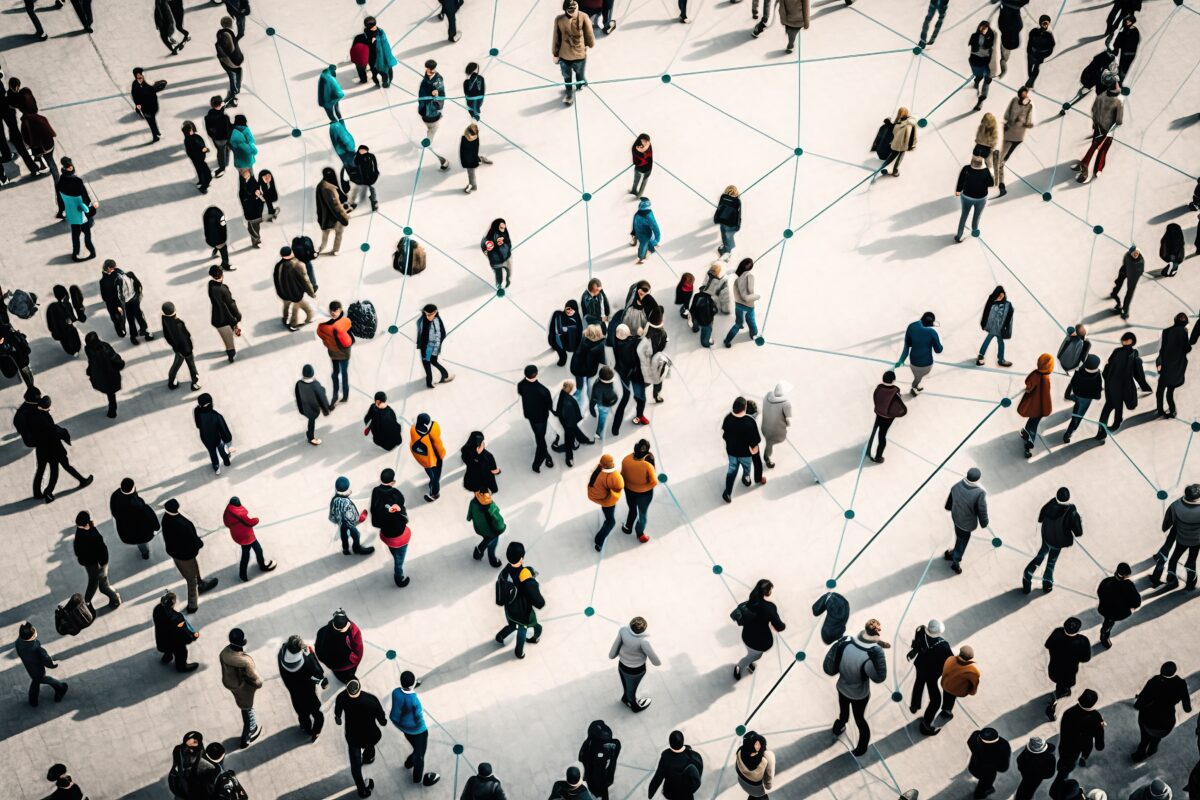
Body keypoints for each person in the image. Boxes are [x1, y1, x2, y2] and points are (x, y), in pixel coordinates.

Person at [825, 621, 887, 755]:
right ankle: (862, 747)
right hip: (859, 694)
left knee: (843, 710)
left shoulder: (847, 642)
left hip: (842, 687)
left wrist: (879, 643)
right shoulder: (868, 658)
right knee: (860, 719)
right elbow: (878, 677)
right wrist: (879, 655)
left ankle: (840, 725)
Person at [30, 397, 93, 504]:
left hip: (41, 449)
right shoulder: (45, 417)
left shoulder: (34, 415)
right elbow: (51, 434)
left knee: (40, 470)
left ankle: (37, 493)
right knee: (57, 471)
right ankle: (48, 492)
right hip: (53, 449)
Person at [1023, 488, 1083, 594]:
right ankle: (1047, 584)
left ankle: (1027, 575)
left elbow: (1041, 517)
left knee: (1041, 555)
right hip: (1058, 541)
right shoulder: (1071, 510)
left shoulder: (1051, 503)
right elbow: (1078, 532)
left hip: (1046, 536)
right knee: (1051, 562)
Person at [162, 498, 217, 613]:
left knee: (194, 568)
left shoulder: (165, 519)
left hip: (175, 553)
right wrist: (199, 543)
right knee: (191, 580)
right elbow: (193, 540)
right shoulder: (183, 524)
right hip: (185, 555)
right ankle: (192, 605)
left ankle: (201, 584)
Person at [389, 670, 442, 787]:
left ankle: (408, 763)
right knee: (420, 755)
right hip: (419, 731)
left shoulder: (395, 692)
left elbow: (396, 712)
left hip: (405, 729)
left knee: (416, 749)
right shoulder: (414, 700)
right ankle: (417, 778)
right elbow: (418, 717)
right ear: (413, 683)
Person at [334, 679, 386, 798]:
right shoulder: (371, 700)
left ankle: (362, 790)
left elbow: (337, 714)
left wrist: (338, 719)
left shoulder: (341, 697)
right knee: (369, 746)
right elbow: (382, 720)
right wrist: (383, 721)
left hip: (353, 736)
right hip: (370, 734)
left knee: (355, 766)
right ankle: (368, 757)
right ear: (359, 687)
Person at [1095, 332, 1152, 441]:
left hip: (1114, 383)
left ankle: (1103, 430)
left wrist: (1107, 378)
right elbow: (1137, 372)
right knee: (1116, 405)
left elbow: (1108, 366)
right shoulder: (1130, 353)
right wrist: (1144, 385)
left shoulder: (1121, 352)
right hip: (1120, 384)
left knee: (1110, 406)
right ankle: (1115, 424)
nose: (1124, 341)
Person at [495, 541, 545, 659]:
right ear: (522, 558)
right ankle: (520, 651)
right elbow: (537, 600)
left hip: (509, 609)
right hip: (523, 612)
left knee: (512, 625)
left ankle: (500, 637)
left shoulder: (504, 572)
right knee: (532, 628)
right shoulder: (524, 573)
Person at [1133, 662, 1192, 761]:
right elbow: (1187, 709)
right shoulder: (1181, 684)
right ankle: (1153, 748)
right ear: (1174, 672)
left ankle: (1140, 754)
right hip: (1166, 724)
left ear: (1161, 670)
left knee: (1145, 738)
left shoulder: (1154, 681)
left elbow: (1138, 705)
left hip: (1148, 721)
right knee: (1156, 737)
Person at [735, 578, 786, 680]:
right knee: (755, 656)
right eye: (770, 589)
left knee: (752, 654)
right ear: (767, 592)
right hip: (759, 641)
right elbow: (780, 626)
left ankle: (748, 663)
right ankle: (739, 666)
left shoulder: (749, 603)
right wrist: (782, 625)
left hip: (747, 635)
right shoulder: (769, 607)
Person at [219, 628, 263, 747]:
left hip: (229, 683)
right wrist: (259, 683)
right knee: (246, 707)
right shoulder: (245, 661)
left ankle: (250, 722)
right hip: (243, 687)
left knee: (244, 704)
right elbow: (255, 678)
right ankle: (247, 735)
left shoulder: (223, 653)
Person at [1054, 690, 1105, 788]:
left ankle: (1062, 766)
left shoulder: (1068, 712)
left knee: (1065, 760)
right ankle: (1083, 758)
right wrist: (1100, 745)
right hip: (1085, 744)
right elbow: (1099, 736)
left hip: (1067, 745)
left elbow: (1063, 730)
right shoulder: (1096, 717)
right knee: (1080, 756)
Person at [1044, 617, 1091, 720]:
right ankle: (1053, 705)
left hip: (1054, 668)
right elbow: (1086, 658)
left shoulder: (1057, 632)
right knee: (1063, 690)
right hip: (1068, 673)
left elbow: (1047, 645)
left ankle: (1058, 695)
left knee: (1060, 684)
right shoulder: (1082, 641)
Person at [1154, 483, 1200, 589]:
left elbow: (1165, 526)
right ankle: (1190, 584)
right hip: (1197, 540)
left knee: (1174, 559)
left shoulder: (1175, 505)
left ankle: (1172, 580)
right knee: (1191, 560)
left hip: (1181, 538)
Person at [609, 616, 660, 712]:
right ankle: (634, 706)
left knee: (626, 685)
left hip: (622, 665)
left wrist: (613, 655)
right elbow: (656, 662)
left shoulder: (623, 631)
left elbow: (612, 653)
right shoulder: (644, 641)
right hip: (636, 670)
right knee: (632, 689)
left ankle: (625, 699)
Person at [1075, 83, 1123, 184]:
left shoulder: (1101, 96)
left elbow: (1093, 110)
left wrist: (1095, 122)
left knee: (1094, 146)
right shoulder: (1118, 103)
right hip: (1108, 131)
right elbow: (1119, 121)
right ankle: (1096, 169)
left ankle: (1084, 163)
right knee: (1103, 150)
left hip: (1098, 127)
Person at [370, 468, 411, 586]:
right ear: (392, 482)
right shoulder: (396, 495)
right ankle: (399, 577)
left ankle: (394, 554)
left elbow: (374, 509)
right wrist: (399, 509)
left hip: (385, 532)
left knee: (393, 549)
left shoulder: (375, 491)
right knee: (400, 558)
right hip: (398, 533)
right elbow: (402, 514)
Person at [944, 467, 988, 574]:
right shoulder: (979, 493)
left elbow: (949, 503)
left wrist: (949, 507)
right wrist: (984, 522)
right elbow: (981, 510)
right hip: (966, 525)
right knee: (962, 543)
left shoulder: (956, 486)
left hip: (956, 518)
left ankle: (953, 553)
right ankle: (956, 562)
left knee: (959, 538)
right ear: (978, 479)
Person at [74, 511, 120, 611]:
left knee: (98, 584)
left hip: (95, 564)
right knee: (101, 584)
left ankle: (88, 603)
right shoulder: (89, 533)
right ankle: (114, 598)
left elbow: (79, 552)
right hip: (97, 563)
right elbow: (100, 548)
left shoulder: (83, 532)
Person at [927, 645, 980, 732]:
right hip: (956, 691)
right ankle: (936, 723)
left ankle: (944, 709)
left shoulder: (950, 659)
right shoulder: (973, 670)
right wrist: (969, 692)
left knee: (946, 699)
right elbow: (973, 688)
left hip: (945, 685)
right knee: (948, 705)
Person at [907, 619, 952, 722]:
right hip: (933, 672)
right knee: (934, 693)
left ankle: (914, 706)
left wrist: (914, 652)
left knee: (919, 683)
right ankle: (933, 710)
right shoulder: (944, 645)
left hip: (921, 665)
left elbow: (916, 645)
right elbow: (950, 661)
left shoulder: (921, 632)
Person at [223, 496, 276, 581]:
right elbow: (250, 522)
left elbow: (227, 523)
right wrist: (256, 519)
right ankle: (261, 566)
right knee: (256, 550)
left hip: (238, 535)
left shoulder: (228, 511)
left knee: (248, 552)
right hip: (247, 536)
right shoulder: (239, 514)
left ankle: (243, 575)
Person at [99, 259, 150, 345]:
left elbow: (110, 296)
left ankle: (133, 335)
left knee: (131, 318)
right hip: (130, 299)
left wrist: (120, 305)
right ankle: (142, 332)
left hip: (126, 301)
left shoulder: (109, 280)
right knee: (137, 316)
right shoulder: (121, 275)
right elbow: (136, 285)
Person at [553, 1, 595, 105]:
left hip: (565, 55)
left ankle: (569, 93)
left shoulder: (559, 19)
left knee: (567, 77)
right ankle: (579, 84)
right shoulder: (584, 16)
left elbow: (556, 38)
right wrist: (589, 44)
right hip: (578, 54)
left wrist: (555, 53)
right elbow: (589, 35)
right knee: (579, 73)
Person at [16, 622, 67, 706]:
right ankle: (61, 687)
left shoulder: (18, 642)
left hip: (29, 667)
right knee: (41, 680)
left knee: (36, 682)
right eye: (34, 632)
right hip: (38, 670)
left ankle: (33, 700)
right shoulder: (36, 648)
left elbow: (19, 653)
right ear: (32, 637)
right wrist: (52, 665)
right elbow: (46, 659)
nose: (36, 632)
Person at [722, 396, 760, 503]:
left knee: (731, 472)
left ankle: (728, 493)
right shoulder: (750, 422)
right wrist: (754, 450)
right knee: (747, 467)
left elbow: (724, 435)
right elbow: (754, 442)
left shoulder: (728, 418)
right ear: (745, 408)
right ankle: (746, 478)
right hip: (745, 454)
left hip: (732, 452)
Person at [109, 477, 159, 559]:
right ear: (132, 488)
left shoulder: (115, 496)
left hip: (126, 532)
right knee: (141, 541)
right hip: (142, 532)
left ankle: (144, 552)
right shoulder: (139, 504)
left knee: (138, 541)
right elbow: (151, 517)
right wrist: (156, 528)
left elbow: (114, 512)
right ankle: (145, 553)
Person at [619, 440, 657, 543]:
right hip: (644, 494)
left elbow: (622, 475)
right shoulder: (649, 461)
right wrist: (643, 487)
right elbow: (653, 482)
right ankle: (640, 534)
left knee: (632, 509)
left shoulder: (626, 460)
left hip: (629, 490)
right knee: (642, 514)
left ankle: (628, 527)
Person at [519, 364, 555, 472]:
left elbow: (521, 392)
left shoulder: (521, 385)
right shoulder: (543, 390)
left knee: (539, 437)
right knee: (540, 439)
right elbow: (549, 405)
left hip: (531, 417)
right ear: (536, 374)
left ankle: (546, 455)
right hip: (541, 419)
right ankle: (538, 462)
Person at [1095, 562, 1140, 648]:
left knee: (1107, 621)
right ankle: (1104, 636)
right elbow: (1136, 602)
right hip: (1118, 613)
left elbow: (1099, 592)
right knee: (1108, 623)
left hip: (1104, 608)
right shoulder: (1129, 586)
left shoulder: (1107, 581)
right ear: (1126, 576)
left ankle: (1105, 633)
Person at [1017, 354, 1054, 458]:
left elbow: (1028, 382)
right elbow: (1045, 396)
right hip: (1039, 406)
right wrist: (1047, 409)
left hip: (1031, 404)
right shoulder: (1045, 379)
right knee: (1034, 423)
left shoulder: (1035, 373)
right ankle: (1029, 441)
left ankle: (1027, 433)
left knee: (1032, 420)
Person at [317, 300, 354, 403]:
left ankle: (343, 396)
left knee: (342, 374)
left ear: (340, 310)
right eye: (331, 311)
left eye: (335, 311)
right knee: (336, 374)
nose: (333, 313)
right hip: (335, 353)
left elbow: (351, 339)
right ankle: (336, 395)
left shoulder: (345, 322)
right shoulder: (330, 324)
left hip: (342, 353)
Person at [648, 731, 703, 799]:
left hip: (670, 794)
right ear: (683, 741)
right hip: (686, 796)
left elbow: (658, 778)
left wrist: (650, 793)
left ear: (670, 743)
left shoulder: (665, 758)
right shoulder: (695, 756)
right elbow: (697, 779)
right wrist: (689, 791)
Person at [153, 591, 198, 673]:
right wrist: (191, 637)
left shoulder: (157, 609)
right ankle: (181, 667)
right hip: (175, 642)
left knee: (168, 647)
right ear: (173, 602)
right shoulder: (177, 618)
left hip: (162, 640)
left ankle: (167, 657)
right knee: (182, 652)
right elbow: (183, 633)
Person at [417, 59, 450, 169]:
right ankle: (429, 141)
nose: (427, 70)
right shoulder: (426, 78)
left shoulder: (438, 80)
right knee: (431, 127)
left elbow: (441, 93)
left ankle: (428, 142)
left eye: (429, 68)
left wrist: (436, 95)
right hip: (425, 111)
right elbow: (421, 93)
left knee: (432, 128)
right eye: (426, 68)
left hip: (433, 111)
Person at [1155, 313, 1190, 417]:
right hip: (1178, 367)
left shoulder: (1166, 332)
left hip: (1167, 366)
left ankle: (1160, 410)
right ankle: (1172, 410)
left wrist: (1159, 363)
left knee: (1160, 391)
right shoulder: (1184, 332)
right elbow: (1187, 348)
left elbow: (1163, 349)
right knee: (1170, 391)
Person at [83, 331, 124, 419]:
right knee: (111, 392)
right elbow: (114, 356)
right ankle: (112, 411)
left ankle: (112, 410)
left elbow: (91, 361)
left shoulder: (89, 349)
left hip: (99, 374)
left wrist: (90, 370)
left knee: (109, 392)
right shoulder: (105, 347)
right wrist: (120, 363)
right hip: (110, 373)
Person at [274, 247, 316, 332]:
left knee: (286, 306)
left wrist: (280, 292)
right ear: (291, 253)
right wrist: (312, 293)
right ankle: (294, 324)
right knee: (307, 309)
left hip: (283, 293)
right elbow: (306, 281)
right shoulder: (298, 265)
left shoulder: (279, 265)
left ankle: (285, 319)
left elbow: (276, 279)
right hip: (295, 294)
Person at [588, 454, 625, 551]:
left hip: (600, 498)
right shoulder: (609, 475)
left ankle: (606, 522)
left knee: (609, 515)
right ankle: (599, 540)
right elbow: (618, 486)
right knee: (611, 522)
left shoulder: (598, 471)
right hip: (606, 501)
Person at [316, 609, 364, 684]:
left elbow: (319, 650)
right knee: (348, 676)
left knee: (341, 675)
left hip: (333, 665)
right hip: (348, 665)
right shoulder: (353, 632)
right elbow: (358, 651)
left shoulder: (323, 631)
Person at [330, 476, 374, 556]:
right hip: (348, 523)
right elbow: (352, 517)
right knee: (356, 534)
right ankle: (356, 548)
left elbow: (332, 514)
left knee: (344, 535)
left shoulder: (334, 499)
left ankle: (345, 549)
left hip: (341, 523)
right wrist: (359, 519)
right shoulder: (347, 503)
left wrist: (338, 520)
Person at [868, 371, 906, 463]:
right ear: (893, 380)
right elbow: (900, 407)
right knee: (882, 435)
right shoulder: (895, 391)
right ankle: (878, 456)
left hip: (878, 412)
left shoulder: (878, 388)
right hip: (887, 417)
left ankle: (869, 447)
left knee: (876, 428)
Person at [722, 258, 760, 347]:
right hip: (748, 306)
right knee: (751, 321)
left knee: (738, 323)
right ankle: (754, 335)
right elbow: (748, 295)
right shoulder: (749, 276)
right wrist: (757, 296)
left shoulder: (737, 278)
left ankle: (727, 340)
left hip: (738, 305)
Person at [954, 155, 993, 241]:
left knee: (964, 215)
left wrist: (958, 190)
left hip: (967, 197)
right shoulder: (986, 171)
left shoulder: (966, 168)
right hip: (981, 198)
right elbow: (991, 183)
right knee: (977, 215)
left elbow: (961, 180)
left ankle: (959, 236)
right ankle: (974, 230)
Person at [579, 721, 621, 800]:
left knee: (599, 789)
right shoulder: (615, 745)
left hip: (597, 778)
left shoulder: (590, 746)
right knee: (601, 789)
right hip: (598, 777)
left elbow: (581, 757)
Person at [207, 266, 241, 362]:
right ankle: (231, 356)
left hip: (217, 318)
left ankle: (230, 351)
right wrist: (236, 318)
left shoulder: (211, 285)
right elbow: (230, 305)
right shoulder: (223, 289)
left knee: (226, 339)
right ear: (222, 275)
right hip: (225, 320)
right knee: (230, 342)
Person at [410, 413, 447, 502]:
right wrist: (442, 455)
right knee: (436, 477)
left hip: (423, 459)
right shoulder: (435, 427)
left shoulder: (413, 430)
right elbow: (438, 446)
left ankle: (431, 480)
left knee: (429, 470)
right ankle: (435, 493)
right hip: (434, 458)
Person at [966, 728, 1011, 799]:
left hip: (973, 766)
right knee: (983, 786)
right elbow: (1003, 768)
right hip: (987, 774)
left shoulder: (975, 739)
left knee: (983, 782)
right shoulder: (1003, 746)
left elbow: (971, 738)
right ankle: (979, 795)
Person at [194, 393, 234, 473]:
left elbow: (198, 425)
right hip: (217, 438)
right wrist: (228, 440)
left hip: (205, 438)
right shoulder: (216, 416)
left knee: (212, 453)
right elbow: (223, 430)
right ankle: (226, 461)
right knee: (222, 450)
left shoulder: (197, 412)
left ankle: (216, 467)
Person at [975, 286, 1014, 367]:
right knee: (991, 341)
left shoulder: (1007, 304)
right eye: (998, 295)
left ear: (1004, 294)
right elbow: (986, 313)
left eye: (1001, 295)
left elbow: (1009, 317)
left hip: (1000, 329)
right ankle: (996, 359)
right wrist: (984, 323)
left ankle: (985, 356)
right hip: (993, 328)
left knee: (999, 343)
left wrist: (1006, 329)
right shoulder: (992, 303)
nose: (1000, 297)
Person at [416, 303, 454, 388]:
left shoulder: (436, 321)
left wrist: (435, 348)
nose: (428, 316)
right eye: (426, 314)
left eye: (430, 314)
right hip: (427, 347)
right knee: (430, 362)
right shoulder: (423, 320)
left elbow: (441, 334)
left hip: (430, 347)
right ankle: (442, 377)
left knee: (428, 362)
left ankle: (432, 381)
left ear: (435, 312)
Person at [169, 732, 215, 800]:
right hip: (183, 787)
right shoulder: (178, 750)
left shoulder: (200, 749)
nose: (191, 743)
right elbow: (176, 766)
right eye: (189, 741)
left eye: (195, 741)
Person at [553, 381, 588, 467]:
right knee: (569, 440)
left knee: (575, 431)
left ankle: (583, 440)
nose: (572, 390)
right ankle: (569, 458)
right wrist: (577, 419)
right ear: (567, 388)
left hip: (569, 422)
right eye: (571, 388)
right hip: (569, 423)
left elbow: (558, 411)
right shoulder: (566, 400)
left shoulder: (563, 395)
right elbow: (565, 412)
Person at [468, 489, 506, 567]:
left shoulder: (473, 501)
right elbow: (499, 522)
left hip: (479, 528)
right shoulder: (491, 507)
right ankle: (492, 560)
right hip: (490, 531)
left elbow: (469, 515)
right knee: (492, 542)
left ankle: (478, 552)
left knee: (487, 538)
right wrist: (503, 528)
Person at [734, 732, 774, 799]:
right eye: (755, 744)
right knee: (760, 797)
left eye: (759, 743)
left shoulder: (740, 752)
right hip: (756, 789)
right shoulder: (764, 760)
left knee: (753, 796)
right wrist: (768, 786)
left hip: (742, 782)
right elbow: (769, 776)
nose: (759, 746)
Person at [45, 285, 82, 357]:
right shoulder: (64, 305)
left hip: (63, 333)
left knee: (70, 345)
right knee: (72, 345)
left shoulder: (53, 307)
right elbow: (73, 318)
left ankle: (74, 352)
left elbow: (50, 324)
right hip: (66, 332)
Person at [1109, 246, 1144, 321]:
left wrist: (1134, 276)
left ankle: (1125, 311)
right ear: (1131, 253)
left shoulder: (1141, 261)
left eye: (1137, 252)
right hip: (1125, 271)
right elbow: (1125, 262)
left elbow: (1141, 271)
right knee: (1119, 282)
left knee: (1129, 294)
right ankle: (1114, 293)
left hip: (1133, 278)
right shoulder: (1127, 256)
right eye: (1134, 252)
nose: (1136, 254)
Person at [215, 17, 244, 106]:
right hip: (231, 61)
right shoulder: (226, 34)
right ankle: (232, 96)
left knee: (237, 73)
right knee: (234, 75)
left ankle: (234, 92)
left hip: (230, 61)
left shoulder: (224, 33)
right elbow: (230, 50)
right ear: (230, 24)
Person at [130, 68, 163, 141]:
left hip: (151, 106)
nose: (141, 75)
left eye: (141, 74)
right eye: (139, 74)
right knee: (151, 122)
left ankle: (156, 131)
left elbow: (148, 89)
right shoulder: (135, 84)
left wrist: (154, 88)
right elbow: (136, 96)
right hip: (145, 108)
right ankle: (155, 136)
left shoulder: (142, 81)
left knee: (153, 120)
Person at [363, 16, 397, 87]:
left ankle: (385, 82)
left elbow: (383, 45)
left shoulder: (380, 33)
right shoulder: (370, 32)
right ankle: (378, 81)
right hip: (373, 57)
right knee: (377, 71)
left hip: (381, 56)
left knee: (383, 70)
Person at [968, 21, 995, 110]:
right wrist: (983, 51)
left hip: (985, 62)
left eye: (986, 28)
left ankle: (980, 101)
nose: (983, 29)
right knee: (978, 77)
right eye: (982, 27)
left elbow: (991, 50)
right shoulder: (974, 36)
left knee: (987, 80)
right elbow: (973, 50)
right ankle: (977, 82)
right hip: (975, 61)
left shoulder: (991, 37)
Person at [480, 218, 514, 289]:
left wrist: (503, 245)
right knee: (499, 275)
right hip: (496, 261)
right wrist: (486, 248)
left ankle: (507, 281)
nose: (503, 229)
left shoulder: (505, 234)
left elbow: (509, 244)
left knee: (509, 272)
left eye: (504, 227)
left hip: (506, 257)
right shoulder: (489, 237)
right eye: (501, 227)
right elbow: (484, 243)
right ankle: (499, 285)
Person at [883, 108, 917, 177]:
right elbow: (894, 130)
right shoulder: (901, 121)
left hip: (901, 143)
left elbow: (913, 134)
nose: (899, 114)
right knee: (896, 157)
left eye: (900, 113)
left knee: (895, 156)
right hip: (900, 143)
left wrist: (913, 145)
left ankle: (889, 169)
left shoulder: (908, 122)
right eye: (899, 113)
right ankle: (893, 170)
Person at [204, 96, 233, 178]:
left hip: (215, 139)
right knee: (222, 152)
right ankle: (223, 166)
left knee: (220, 150)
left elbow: (208, 130)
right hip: (224, 138)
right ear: (220, 104)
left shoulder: (208, 116)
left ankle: (224, 162)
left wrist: (213, 136)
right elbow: (228, 129)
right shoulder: (225, 118)